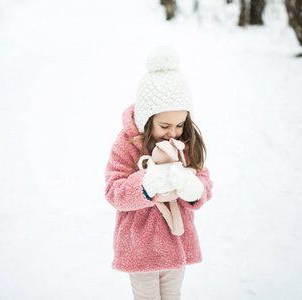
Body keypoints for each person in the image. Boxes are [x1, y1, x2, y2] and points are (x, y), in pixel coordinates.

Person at [105, 46, 213, 300]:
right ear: (146, 118)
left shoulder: (185, 145)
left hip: (176, 245)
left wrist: (193, 187)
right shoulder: (127, 146)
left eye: (179, 124)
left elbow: (204, 180)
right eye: (164, 125)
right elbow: (113, 191)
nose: (172, 133)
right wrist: (146, 183)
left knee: (172, 294)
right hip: (140, 247)